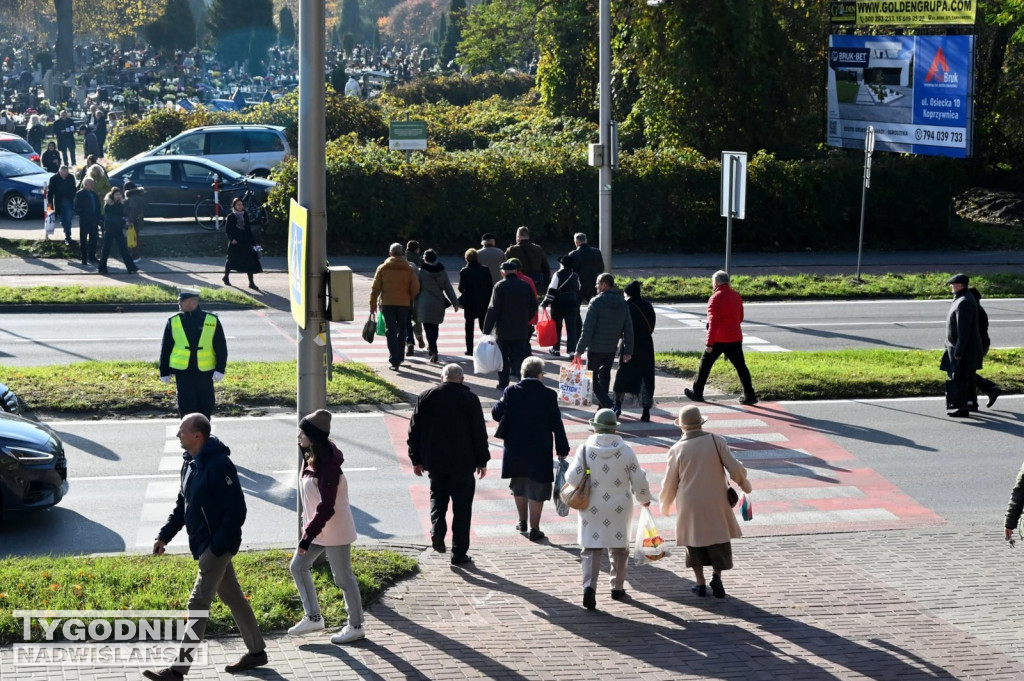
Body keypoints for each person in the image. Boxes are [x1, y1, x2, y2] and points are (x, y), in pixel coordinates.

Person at [142, 414, 269, 680]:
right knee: (233, 597)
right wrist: (164, 536)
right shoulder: (190, 462)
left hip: (215, 547)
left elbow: (237, 510)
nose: (178, 435)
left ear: (197, 435)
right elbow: (183, 505)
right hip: (204, 544)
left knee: (198, 603)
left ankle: (177, 671)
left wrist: (218, 546)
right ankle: (257, 652)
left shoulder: (219, 465)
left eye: (182, 431)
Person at [288, 409, 366, 644]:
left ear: (313, 437)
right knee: (298, 567)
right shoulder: (310, 456)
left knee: (343, 578)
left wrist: (306, 536)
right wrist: (307, 527)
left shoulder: (328, 465)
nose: (298, 436)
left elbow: (327, 507)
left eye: (302, 433)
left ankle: (356, 626)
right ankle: (313, 618)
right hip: (317, 529)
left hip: (335, 530)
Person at [659, 405, 752, 600]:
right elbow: (735, 468)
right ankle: (716, 575)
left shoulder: (676, 449)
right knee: (719, 538)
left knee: (693, 541)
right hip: (716, 499)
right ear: (701, 423)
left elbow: (669, 483)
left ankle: (700, 583)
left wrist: (665, 504)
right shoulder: (716, 441)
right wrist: (745, 485)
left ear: (682, 426)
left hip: (689, 503)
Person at [565, 408, 652, 610]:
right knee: (619, 547)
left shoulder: (584, 449)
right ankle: (617, 587)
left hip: (591, 504)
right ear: (614, 429)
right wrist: (644, 498)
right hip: (620, 505)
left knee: (591, 548)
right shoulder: (627, 450)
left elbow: (572, 478)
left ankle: (589, 587)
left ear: (595, 427)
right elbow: (638, 479)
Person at [408, 364, 490, 566]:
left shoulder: (426, 396)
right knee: (463, 509)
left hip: (435, 462)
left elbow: (414, 430)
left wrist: (415, 459)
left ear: (441, 377)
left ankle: (437, 530)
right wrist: (482, 460)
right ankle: (459, 553)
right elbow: (479, 433)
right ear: (461, 379)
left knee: (438, 497)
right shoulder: (470, 399)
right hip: (463, 463)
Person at [492, 357, 570, 541]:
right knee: (538, 488)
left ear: (522, 373)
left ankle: (522, 522)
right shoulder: (549, 395)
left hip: (515, 448)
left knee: (519, 485)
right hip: (539, 449)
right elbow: (556, 424)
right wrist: (562, 447)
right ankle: (535, 529)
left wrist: (503, 399)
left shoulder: (511, 391)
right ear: (540, 375)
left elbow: (496, 414)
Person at [684, 270, 758, 406]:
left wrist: (709, 343)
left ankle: (697, 393)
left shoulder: (715, 298)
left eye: (713, 281)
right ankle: (750, 395)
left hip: (718, 339)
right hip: (735, 337)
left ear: (716, 282)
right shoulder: (736, 295)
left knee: (705, 365)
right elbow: (740, 317)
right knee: (741, 366)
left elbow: (713, 323)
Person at [159, 288, 228, 419]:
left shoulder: (211, 320)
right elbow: (166, 347)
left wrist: (220, 369)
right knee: (186, 406)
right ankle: (188, 430)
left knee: (206, 405)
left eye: (182, 301)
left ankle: (204, 430)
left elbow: (221, 347)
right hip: (183, 372)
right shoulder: (174, 320)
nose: (179, 304)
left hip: (205, 372)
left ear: (193, 302)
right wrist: (164, 371)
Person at [574, 273, 633, 410]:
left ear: (605, 285)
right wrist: (628, 350)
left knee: (592, 380)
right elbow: (629, 329)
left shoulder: (596, 302)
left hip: (595, 349)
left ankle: (610, 406)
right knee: (605, 377)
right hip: (611, 349)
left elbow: (588, 329)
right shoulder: (622, 303)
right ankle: (603, 410)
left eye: (598, 283)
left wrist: (579, 350)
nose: (596, 286)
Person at [483, 260, 537, 390]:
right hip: (521, 328)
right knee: (519, 357)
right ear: (515, 271)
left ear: (503, 273)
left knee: (503, 358)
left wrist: (487, 329)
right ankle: (522, 382)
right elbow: (534, 305)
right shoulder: (525, 285)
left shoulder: (500, 286)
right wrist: (526, 319)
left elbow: (493, 309)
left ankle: (503, 383)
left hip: (503, 329)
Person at [369, 242, 421, 371]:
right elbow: (416, 287)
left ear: (390, 253)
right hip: (404, 304)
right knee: (403, 329)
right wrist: (409, 297)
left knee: (391, 331)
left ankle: (394, 360)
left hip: (387, 304)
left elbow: (375, 289)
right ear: (402, 253)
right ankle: (401, 357)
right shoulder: (409, 268)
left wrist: (372, 304)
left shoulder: (383, 268)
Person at [613, 280, 657, 421]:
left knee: (623, 375)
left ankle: (617, 405)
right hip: (646, 346)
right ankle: (646, 411)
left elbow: (621, 328)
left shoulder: (627, 307)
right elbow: (652, 325)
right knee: (646, 378)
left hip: (629, 346)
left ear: (628, 294)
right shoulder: (648, 306)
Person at [941, 273, 983, 418]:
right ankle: (972, 404)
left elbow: (963, 331)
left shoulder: (964, 302)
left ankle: (963, 407)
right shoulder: (963, 298)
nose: (951, 287)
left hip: (964, 350)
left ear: (959, 285)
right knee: (968, 377)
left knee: (961, 378)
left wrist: (958, 352)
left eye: (952, 285)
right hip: (963, 348)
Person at [416, 248, 459, 363]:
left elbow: (416, 288)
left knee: (427, 328)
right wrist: (455, 303)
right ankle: (432, 347)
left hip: (424, 303)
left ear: (425, 259)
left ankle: (433, 350)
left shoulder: (421, 272)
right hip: (438, 303)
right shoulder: (442, 271)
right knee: (435, 327)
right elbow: (448, 288)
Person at [540, 254, 580, 357]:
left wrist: (545, 303)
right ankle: (572, 351)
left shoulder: (557, 274)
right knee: (571, 328)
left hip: (558, 304)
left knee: (557, 327)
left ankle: (556, 349)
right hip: (572, 304)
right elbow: (578, 288)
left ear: (562, 264)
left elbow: (552, 290)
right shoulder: (575, 275)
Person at [968, 286, 1001, 409]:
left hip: (978, 346)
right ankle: (973, 401)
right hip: (980, 344)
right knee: (967, 373)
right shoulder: (976, 309)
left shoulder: (976, 311)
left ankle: (990, 388)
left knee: (966, 372)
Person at [458, 248, 493, 356]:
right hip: (483, 301)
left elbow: (460, 288)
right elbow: (490, 286)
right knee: (484, 326)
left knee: (469, 327)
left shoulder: (464, 271)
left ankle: (469, 349)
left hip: (470, 302)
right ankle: (489, 346)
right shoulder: (485, 270)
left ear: (466, 259)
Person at [223, 196, 262, 290]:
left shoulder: (245, 215)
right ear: (234, 206)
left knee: (250, 261)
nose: (240, 206)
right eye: (238, 205)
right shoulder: (231, 217)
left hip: (245, 241)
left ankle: (251, 283)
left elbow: (248, 229)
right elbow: (227, 230)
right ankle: (226, 277)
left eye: (241, 204)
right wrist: (232, 239)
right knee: (230, 260)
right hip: (235, 243)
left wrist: (254, 244)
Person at [97, 186, 138, 274]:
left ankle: (131, 267)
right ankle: (102, 268)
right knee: (106, 250)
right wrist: (123, 220)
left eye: (119, 194)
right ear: (112, 195)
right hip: (110, 229)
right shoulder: (108, 205)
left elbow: (123, 214)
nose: (118, 196)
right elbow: (111, 218)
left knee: (124, 249)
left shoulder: (120, 204)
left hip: (118, 229)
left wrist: (125, 220)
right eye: (116, 194)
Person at [504, 225, 550, 290]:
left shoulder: (511, 250)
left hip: (518, 285)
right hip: (536, 284)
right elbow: (546, 268)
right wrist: (546, 284)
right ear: (528, 236)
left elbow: (504, 267)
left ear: (517, 237)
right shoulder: (538, 249)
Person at [568, 232, 604, 305]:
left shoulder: (573, 254)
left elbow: (570, 271)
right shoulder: (596, 252)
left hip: (579, 285)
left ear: (576, 242)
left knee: (575, 308)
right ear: (586, 240)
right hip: (594, 284)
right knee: (595, 306)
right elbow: (601, 268)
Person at [73, 176, 101, 265]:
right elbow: (76, 207)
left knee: (93, 239)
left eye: (93, 183)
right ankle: (84, 257)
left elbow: (98, 206)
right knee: (83, 240)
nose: (92, 185)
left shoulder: (94, 194)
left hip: (94, 220)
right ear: (85, 184)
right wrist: (83, 214)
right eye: (91, 183)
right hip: (85, 220)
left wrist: (98, 217)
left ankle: (92, 256)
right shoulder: (80, 194)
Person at [47, 164, 77, 245]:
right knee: (62, 220)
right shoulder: (53, 179)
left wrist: (73, 198)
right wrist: (49, 203)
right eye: (63, 174)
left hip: (68, 201)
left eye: (66, 174)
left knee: (68, 219)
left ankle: (68, 237)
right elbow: (50, 192)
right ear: (59, 172)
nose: (64, 176)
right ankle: (66, 229)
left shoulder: (71, 177)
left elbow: (74, 189)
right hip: (58, 202)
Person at [405, 239, 423, 356]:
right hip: (417, 293)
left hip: (404, 294)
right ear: (417, 249)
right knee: (417, 317)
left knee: (406, 319)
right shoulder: (419, 260)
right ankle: (419, 335)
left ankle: (409, 340)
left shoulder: (403, 258)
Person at [124, 180, 145, 258]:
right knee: (135, 237)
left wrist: (130, 220)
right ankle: (135, 255)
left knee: (132, 238)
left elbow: (133, 210)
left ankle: (134, 255)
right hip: (137, 220)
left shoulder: (133, 197)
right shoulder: (137, 195)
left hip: (133, 221)